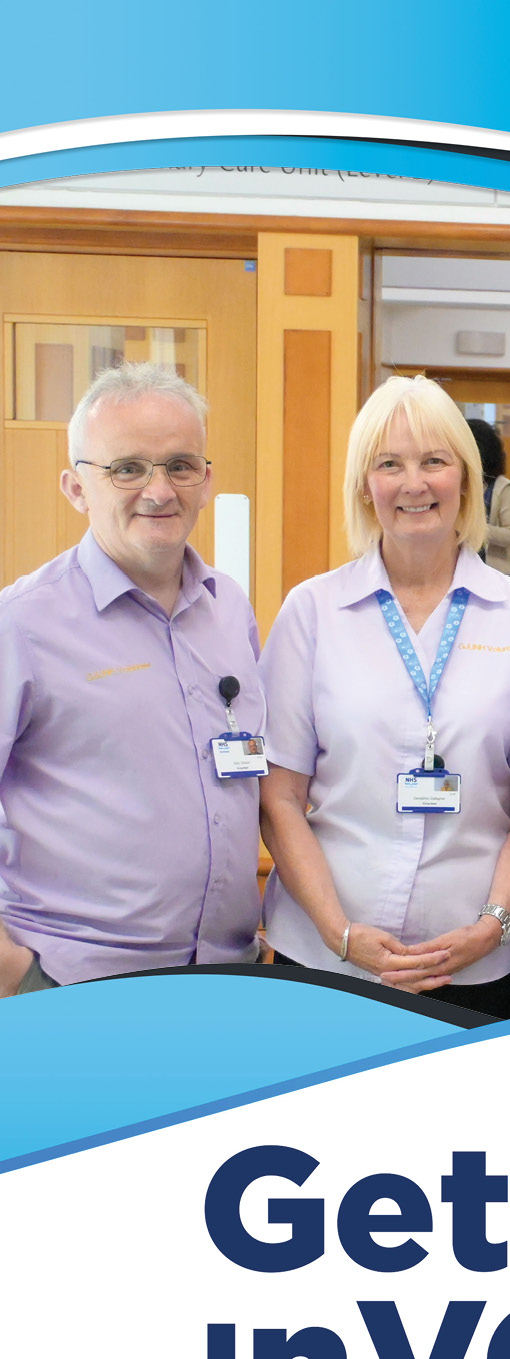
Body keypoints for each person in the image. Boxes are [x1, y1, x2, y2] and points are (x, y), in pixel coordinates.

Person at [258, 374, 510, 1020]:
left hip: (477, 956)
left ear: (467, 479)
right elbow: (279, 796)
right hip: (324, 957)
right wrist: (337, 930)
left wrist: (493, 924)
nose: (413, 484)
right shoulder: (313, 611)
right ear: (365, 485)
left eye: (434, 461)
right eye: (389, 464)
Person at [0, 362, 264, 997]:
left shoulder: (229, 608)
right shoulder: (23, 624)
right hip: (78, 987)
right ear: (75, 488)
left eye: (179, 465)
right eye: (127, 468)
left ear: (206, 480)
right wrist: (15, 974)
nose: (159, 490)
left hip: (231, 978)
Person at [466, 417, 510, 576]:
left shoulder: (501, 487)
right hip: (461, 571)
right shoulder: (456, 484)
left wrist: (476, 528)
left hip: (495, 572)